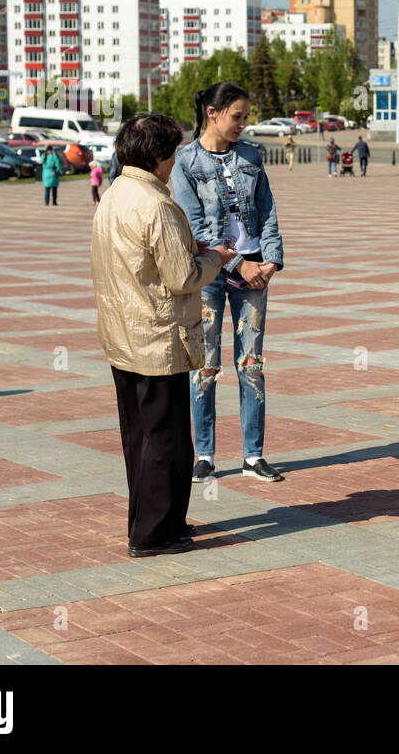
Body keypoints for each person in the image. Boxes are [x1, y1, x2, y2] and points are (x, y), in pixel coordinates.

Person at [90, 112, 235, 557]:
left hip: (123, 334)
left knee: (140, 438)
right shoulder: (156, 202)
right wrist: (219, 258)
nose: (175, 162)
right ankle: (152, 534)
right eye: (173, 153)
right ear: (158, 156)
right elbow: (181, 276)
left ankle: (162, 519)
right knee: (166, 440)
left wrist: (193, 250)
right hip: (157, 338)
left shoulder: (115, 192)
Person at [171, 82, 286, 484]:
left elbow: (267, 208)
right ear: (213, 113)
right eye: (236, 116)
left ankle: (253, 456)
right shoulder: (185, 161)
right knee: (205, 366)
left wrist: (271, 259)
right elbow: (194, 225)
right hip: (208, 274)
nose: (243, 124)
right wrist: (238, 264)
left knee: (251, 364)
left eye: (245, 117)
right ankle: (204, 455)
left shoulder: (251, 155)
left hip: (254, 275)